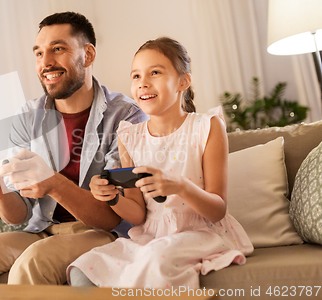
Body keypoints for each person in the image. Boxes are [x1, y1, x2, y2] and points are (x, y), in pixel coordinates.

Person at [0, 12, 148, 299]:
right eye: (39, 53)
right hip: (39, 229)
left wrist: (53, 183)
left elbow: (111, 218)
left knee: (33, 262)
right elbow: (19, 215)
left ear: (88, 55)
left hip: (101, 233)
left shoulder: (127, 117)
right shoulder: (28, 116)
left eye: (58, 49)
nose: (46, 62)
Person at [67, 37, 253, 289]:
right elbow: (137, 214)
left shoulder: (206, 127)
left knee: (155, 258)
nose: (143, 83)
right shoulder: (129, 137)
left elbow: (217, 210)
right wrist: (112, 198)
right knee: (85, 267)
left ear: (183, 81)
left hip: (201, 233)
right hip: (152, 237)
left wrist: (180, 186)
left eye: (154, 72)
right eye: (136, 76)